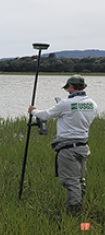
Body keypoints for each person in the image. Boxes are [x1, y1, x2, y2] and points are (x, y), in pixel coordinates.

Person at [28, 74, 97, 214]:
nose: (67, 91)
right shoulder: (92, 104)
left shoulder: (66, 104)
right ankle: (79, 209)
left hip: (68, 149)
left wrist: (33, 111)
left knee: (71, 182)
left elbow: (46, 115)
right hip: (83, 146)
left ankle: (73, 214)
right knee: (79, 180)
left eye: (67, 88)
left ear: (71, 86)